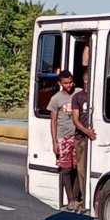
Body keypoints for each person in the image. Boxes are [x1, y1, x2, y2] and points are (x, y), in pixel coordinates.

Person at [47, 70, 82, 210]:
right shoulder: (56, 99)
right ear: (60, 83)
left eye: (71, 82)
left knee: (79, 168)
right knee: (66, 169)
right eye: (65, 83)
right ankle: (71, 199)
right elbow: (53, 121)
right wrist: (55, 141)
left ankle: (77, 196)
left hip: (78, 136)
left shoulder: (79, 92)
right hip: (63, 137)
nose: (69, 85)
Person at [72, 70, 97, 210]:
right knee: (81, 170)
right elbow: (75, 120)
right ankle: (84, 199)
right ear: (86, 80)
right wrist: (86, 131)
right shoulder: (78, 97)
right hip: (81, 138)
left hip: (95, 138)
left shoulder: (98, 95)